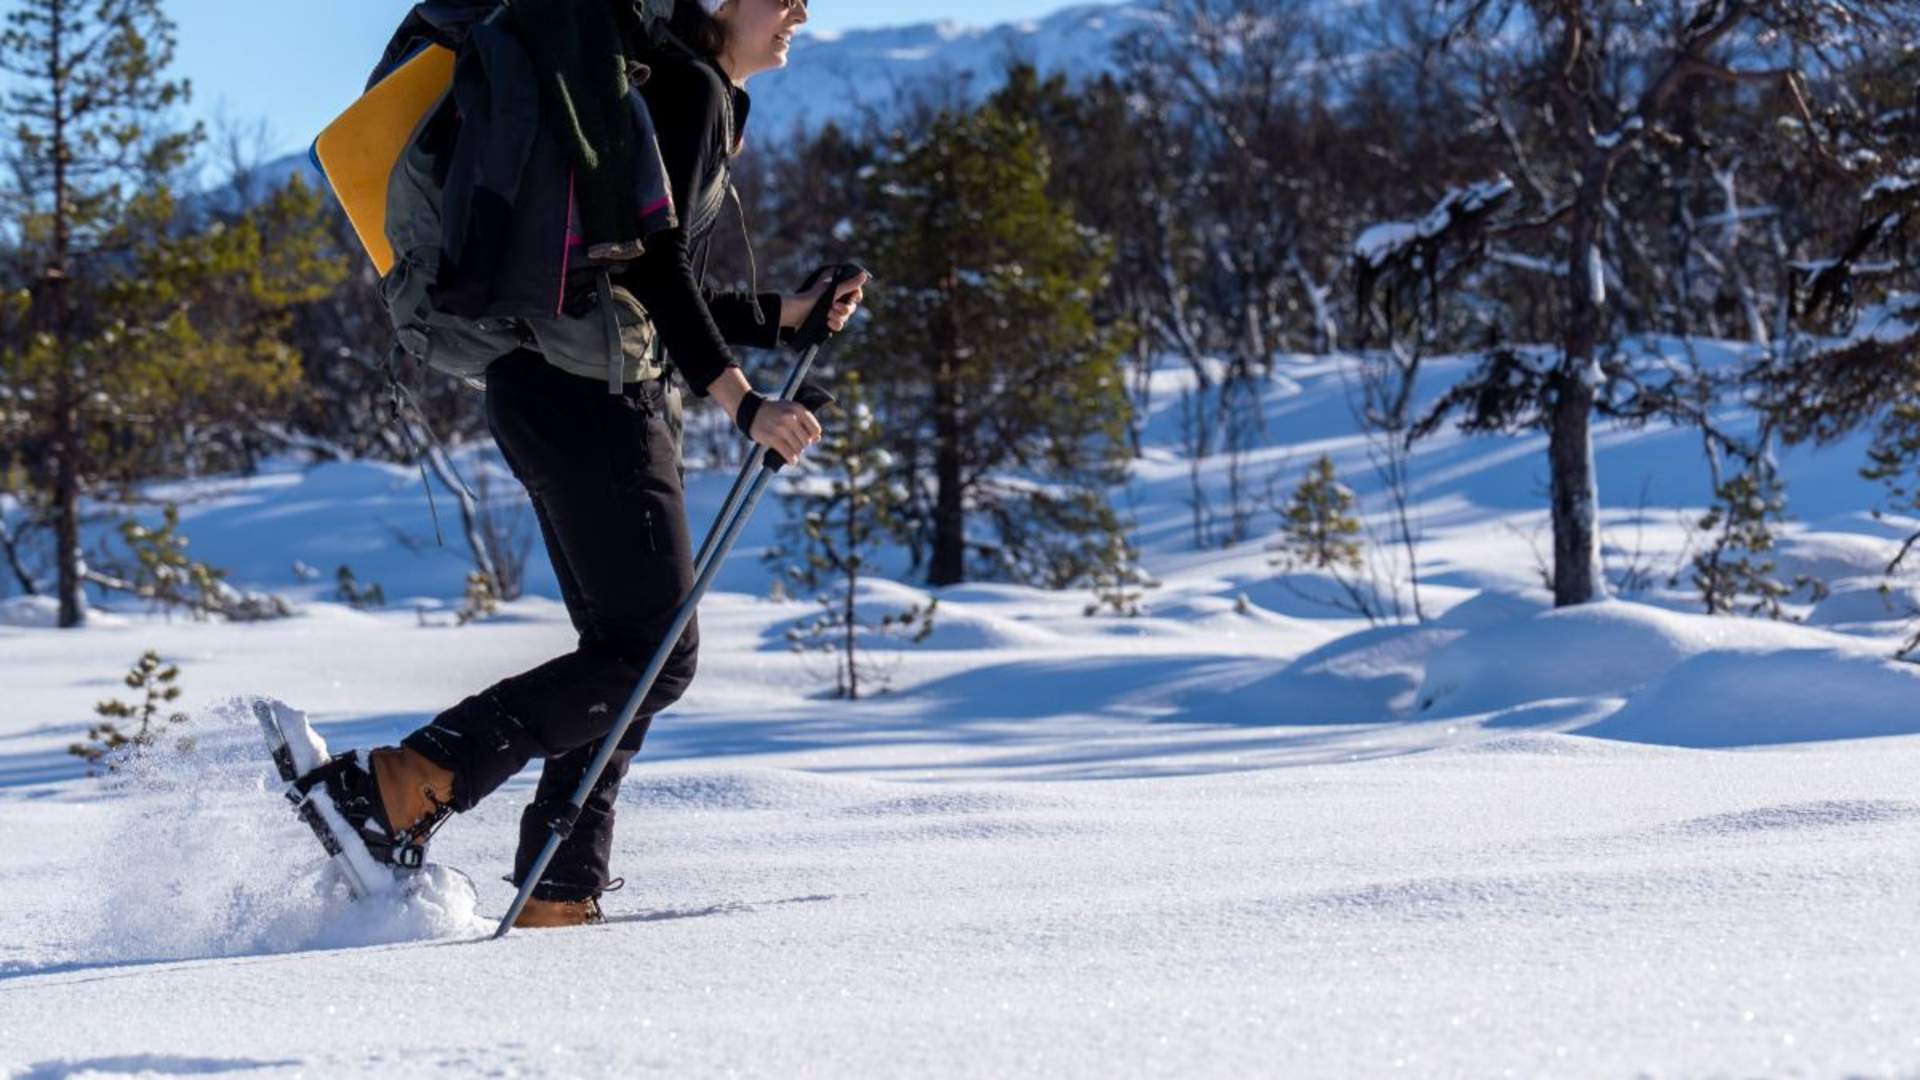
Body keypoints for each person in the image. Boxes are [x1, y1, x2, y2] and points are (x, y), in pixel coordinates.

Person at [309, 0, 868, 928]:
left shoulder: (680, 91)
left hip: (553, 386)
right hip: (587, 394)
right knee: (654, 652)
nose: (801, 10)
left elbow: (629, 277)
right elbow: (652, 266)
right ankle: (401, 784)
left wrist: (779, 321)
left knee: (632, 653)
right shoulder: (685, 89)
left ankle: (557, 887)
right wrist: (743, 401)